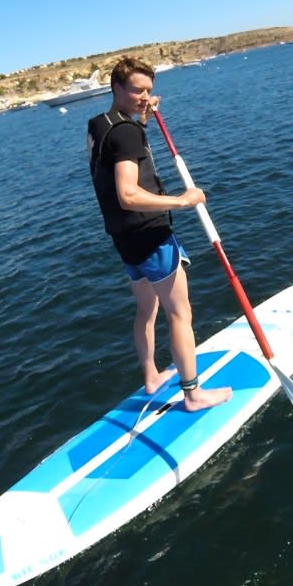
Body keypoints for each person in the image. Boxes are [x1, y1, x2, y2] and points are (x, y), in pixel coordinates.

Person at [86, 57, 232, 412]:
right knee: (180, 314)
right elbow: (128, 193)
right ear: (117, 87)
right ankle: (194, 394)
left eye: (149, 91)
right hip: (150, 235)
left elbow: (119, 151)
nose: (144, 97)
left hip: (124, 239)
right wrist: (182, 201)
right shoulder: (126, 132)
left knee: (146, 310)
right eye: (137, 90)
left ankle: (151, 376)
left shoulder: (100, 124)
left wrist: (142, 118)